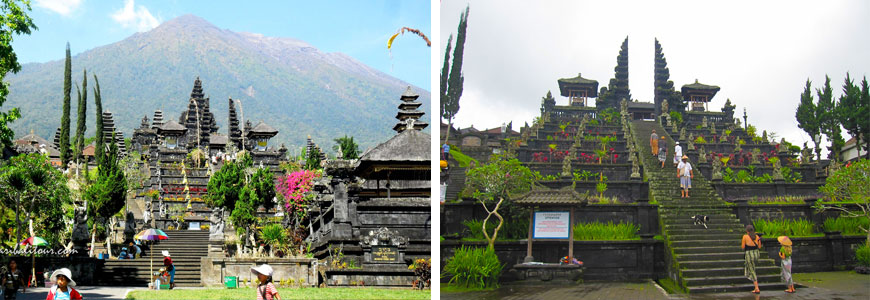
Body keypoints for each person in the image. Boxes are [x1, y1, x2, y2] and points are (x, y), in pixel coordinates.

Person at [742, 225, 762, 294]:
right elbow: (759, 247)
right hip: (756, 254)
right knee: (752, 269)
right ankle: (755, 287)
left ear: (747, 231)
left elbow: (743, 247)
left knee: (752, 270)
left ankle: (756, 288)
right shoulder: (757, 237)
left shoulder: (745, 237)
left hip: (749, 254)